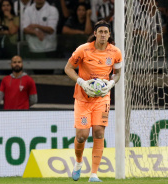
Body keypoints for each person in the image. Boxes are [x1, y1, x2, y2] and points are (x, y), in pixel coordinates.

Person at [64, 20, 122, 182]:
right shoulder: (83, 50)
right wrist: (81, 82)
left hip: (102, 98)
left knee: (99, 132)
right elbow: (68, 68)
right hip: (83, 98)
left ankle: (94, 174)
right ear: (95, 34)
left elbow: (117, 73)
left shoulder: (115, 52)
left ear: (109, 35)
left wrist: (111, 83)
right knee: (82, 136)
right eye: (100, 32)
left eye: (106, 32)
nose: (103, 34)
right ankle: (78, 163)